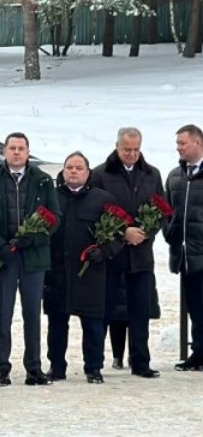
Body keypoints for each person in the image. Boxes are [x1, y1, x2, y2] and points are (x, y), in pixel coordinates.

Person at [0, 132, 60, 387]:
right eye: (12, 148)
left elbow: (54, 217)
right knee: (3, 312)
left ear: (28, 152)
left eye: (21, 148)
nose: (16, 152)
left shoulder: (43, 180)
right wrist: (0, 246)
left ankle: (33, 367)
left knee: (32, 314)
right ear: (4, 151)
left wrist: (34, 237)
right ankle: (2, 367)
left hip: (33, 257)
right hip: (4, 257)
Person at [90, 127, 164, 378]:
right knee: (104, 308)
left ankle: (140, 361)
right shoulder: (100, 174)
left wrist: (144, 232)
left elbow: (161, 209)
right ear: (117, 147)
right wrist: (123, 233)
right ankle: (96, 362)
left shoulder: (152, 174)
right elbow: (95, 212)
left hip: (141, 255)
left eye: (136, 149)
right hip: (112, 255)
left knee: (140, 310)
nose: (131, 154)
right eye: (126, 150)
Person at [45, 152, 120, 384]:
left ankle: (94, 367)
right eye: (69, 167)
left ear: (88, 173)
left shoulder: (103, 199)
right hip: (58, 273)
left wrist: (104, 251)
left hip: (90, 273)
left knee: (93, 324)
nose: (74, 172)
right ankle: (56, 366)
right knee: (57, 323)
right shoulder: (51, 197)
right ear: (63, 171)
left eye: (79, 168)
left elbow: (117, 233)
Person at [165, 124, 203, 370]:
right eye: (177, 143)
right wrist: (170, 234)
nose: (177, 147)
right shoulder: (175, 176)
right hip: (187, 255)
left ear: (197, 143)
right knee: (196, 307)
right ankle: (198, 353)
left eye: (182, 143)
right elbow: (167, 212)